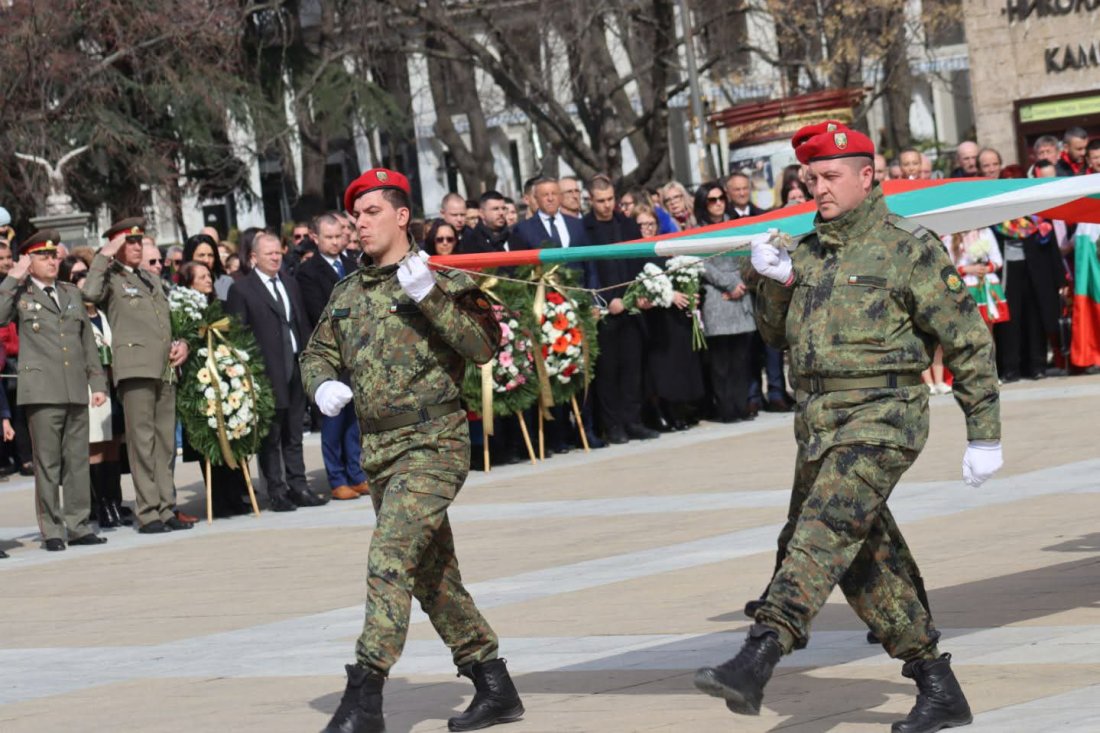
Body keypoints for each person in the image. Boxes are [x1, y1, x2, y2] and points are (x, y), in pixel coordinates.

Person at [693, 120, 1003, 732]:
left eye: (831, 176)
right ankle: (936, 682)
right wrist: (776, 282)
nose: (820, 189)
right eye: (812, 178)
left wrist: (984, 431)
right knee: (859, 554)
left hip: (884, 415)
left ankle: (761, 651)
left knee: (820, 530)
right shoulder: (806, 248)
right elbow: (776, 334)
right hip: (819, 422)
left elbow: (967, 341)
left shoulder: (908, 247)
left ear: (868, 176)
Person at [301, 168, 523, 733]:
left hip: (433, 440)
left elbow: (482, 348)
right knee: (431, 574)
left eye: (371, 212)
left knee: (388, 558)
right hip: (379, 449)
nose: (359, 223)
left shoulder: (443, 276)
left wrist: (430, 297)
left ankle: (366, 695)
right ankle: (493, 683)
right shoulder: (348, 290)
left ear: (402, 216)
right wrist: (322, 384)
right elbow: (316, 353)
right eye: (355, 215)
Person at [84, 218, 193, 534]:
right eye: (128, 242)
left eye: (138, 241)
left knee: (165, 444)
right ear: (117, 245)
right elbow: (89, 293)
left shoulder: (149, 277)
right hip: (135, 369)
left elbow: (167, 320)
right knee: (142, 443)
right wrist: (104, 255)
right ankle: (148, 512)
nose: (136, 246)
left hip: (164, 367)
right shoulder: (111, 278)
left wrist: (182, 345)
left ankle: (165, 505)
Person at [0, 230, 108, 551]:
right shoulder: (20, 294)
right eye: (43, 256)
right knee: (48, 463)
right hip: (42, 391)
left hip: (74, 386)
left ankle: (77, 524)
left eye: (54, 255)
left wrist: (97, 383)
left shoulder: (71, 292)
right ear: (29, 261)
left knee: (76, 460)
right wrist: (13, 277)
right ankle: (52, 530)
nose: (52, 260)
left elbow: (86, 342)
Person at [226, 232, 328, 512]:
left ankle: (299, 486)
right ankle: (277, 490)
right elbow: (239, 335)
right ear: (253, 258)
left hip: (294, 364)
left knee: (295, 431)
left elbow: (301, 322)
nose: (275, 258)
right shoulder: (242, 289)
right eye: (268, 254)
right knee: (271, 435)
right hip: (266, 371)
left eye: (278, 253)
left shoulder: (290, 283)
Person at [296, 212, 367, 502]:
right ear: (315, 238)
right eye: (329, 237)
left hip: (357, 350)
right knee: (334, 419)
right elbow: (319, 311)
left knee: (354, 418)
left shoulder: (352, 265)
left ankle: (357, 472)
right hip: (331, 352)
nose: (336, 242)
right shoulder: (308, 272)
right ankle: (336, 478)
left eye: (339, 236)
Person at [584, 175, 659, 444]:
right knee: (608, 371)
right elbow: (589, 270)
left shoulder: (626, 225)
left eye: (610, 199)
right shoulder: (586, 229)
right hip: (605, 312)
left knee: (632, 368)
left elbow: (639, 260)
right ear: (591, 200)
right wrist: (607, 299)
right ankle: (612, 425)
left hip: (632, 308)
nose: (606, 205)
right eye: (600, 200)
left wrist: (641, 293)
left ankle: (633, 420)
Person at [66, 264, 129, 528]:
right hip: (91, 387)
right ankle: (99, 504)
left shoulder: (105, 316)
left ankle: (115, 501)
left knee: (113, 444)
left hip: (112, 384)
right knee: (94, 445)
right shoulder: (75, 320)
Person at [183, 233, 234, 301]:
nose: (206, 260)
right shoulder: (181, 287)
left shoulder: (226, 283)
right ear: (190, 257)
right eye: (201, 255)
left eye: (210, 255)